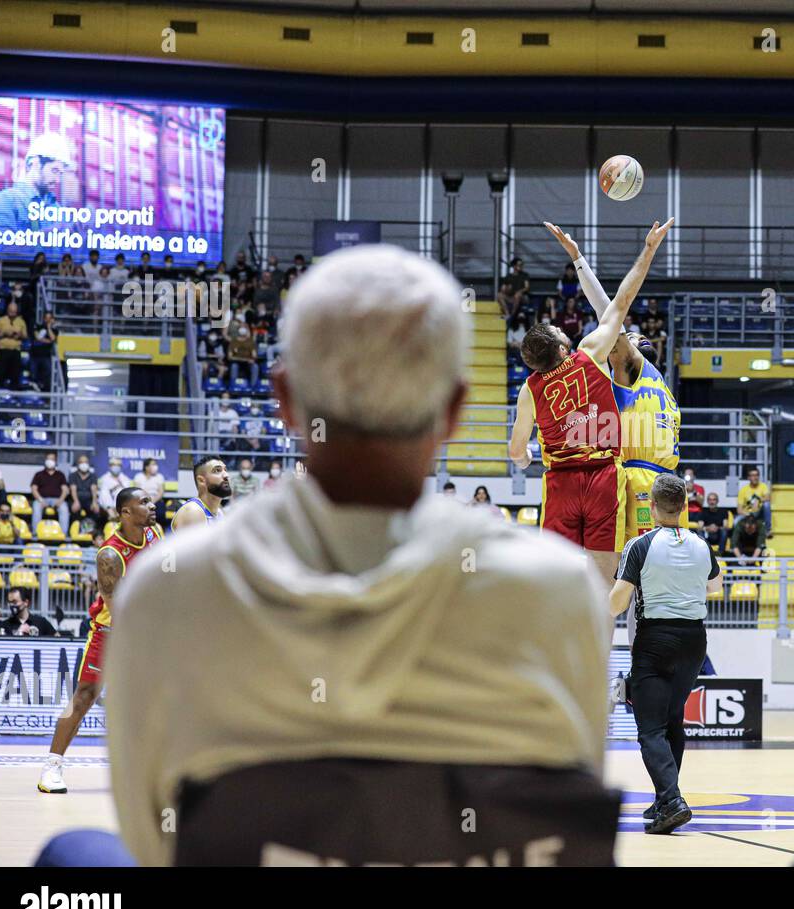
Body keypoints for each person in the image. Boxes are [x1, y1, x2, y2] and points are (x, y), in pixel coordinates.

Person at [105, 244, 617, 866]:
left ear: (286, 399)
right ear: (454, 411)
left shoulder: (167, 589)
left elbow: (152, 841)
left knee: (72, 854)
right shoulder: (558, 590)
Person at [509, 219, 673, 584]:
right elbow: (620, 302)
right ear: (563, 347)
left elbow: (516, 451)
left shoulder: (529, 390)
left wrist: (525, 458)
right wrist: (648, 250)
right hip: (604, 476)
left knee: (556, 578)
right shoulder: (591, 355)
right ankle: (599, 636)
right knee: (605, 581)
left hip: (561, 483)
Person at [544, 222, 685, 546]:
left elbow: (611, 310)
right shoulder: (665, 391)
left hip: (638, 484)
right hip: (672, 488)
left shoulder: (631, 369)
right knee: (667, 581)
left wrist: (579, 259)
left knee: (625, 576)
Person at [608, 474, 723, 834]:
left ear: (652, 507)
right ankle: (663, 797)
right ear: (685, 506)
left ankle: (672, 801)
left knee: (650, 728)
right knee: (673, 718)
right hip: (694, 640)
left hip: (655, 639)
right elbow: (715, 589)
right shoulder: (702, 545)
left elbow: (616, 603)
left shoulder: (640, 546)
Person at [38, 488, 160, 794]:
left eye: (150, 500)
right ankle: (51, 768)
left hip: (146, 632)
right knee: (84, 698)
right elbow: (116, 604)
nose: (152, 505)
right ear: (125, 513)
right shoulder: (109, 553)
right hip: (111, 634)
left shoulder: (155, 534)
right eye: (143, 502)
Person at [0, 133, 72, 236]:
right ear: (34, 163)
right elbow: (2, 248)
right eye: (54, 170)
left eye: (60, 173)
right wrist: (49, 234)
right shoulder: (7, 200)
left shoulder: (57, 209)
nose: (57, 180)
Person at [172, 457, 232, 531]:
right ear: (201, 480)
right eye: (217, 470)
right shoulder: (193, 511)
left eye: (225, 470)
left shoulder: (220, 513)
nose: (226, 475)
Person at [30, 454, 70, 535]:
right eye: (48, 459)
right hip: (41, 499)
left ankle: (63, 534)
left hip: (57, 499)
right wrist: (40, 500)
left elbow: (65, 490)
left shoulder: (60, 475)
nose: (50, 461)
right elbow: (34, 489)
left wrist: (60, 500)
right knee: (36, 507)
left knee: (64, 508)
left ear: (55, 461)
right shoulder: (38, 474)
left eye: (52, 459)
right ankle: (35, 533)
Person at [0, 301, 28, 390]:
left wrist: (19, 335)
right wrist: (4, 333)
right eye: (11, 311)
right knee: (0, 373)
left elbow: (25, 336)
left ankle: (13, 394)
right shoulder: (1, 320)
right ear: (7, 310)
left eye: (14, 312)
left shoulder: (21, 321)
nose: (13, 313)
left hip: (15, 351)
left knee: (15, 374)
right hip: (3, 351)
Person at [737, 467, 771, 535]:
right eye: (752, 475)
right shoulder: (743, 490)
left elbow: (768, 497)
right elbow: (739, 510)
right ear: (748, 478)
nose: (755, 477)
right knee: (735, 522)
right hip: (748, 513)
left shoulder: (763, 486)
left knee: (767, 504)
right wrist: (748, 514)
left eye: (756, 475)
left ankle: (767, 530)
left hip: (759, 513)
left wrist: (758, 500)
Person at [132, 458, 166, 525]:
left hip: (156, 500)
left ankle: (160, 530)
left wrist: (152, 501)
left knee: (160, 512)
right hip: (142, 500)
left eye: (156, 464)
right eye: (153, 464)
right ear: (146, 467)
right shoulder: (138, 476)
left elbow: (161, 492)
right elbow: (137, 491)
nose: (155, 466)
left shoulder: (159, 477)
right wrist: (146, 501)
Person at [97, 458, 132, 523]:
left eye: (118, 465)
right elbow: (100, 494)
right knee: (104, 492)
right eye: (114, 465)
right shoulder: (104, 478)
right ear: (110, 466)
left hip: (120, 505)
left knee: (120, 491)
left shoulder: (125, 478)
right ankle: (112, 515)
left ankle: (116, 516)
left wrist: (118, 487)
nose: (116, 467)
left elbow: (127, 492)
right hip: (107, 505)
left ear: (121, 467)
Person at [32, 312, 57, 392]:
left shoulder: (54, 330)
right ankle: (35, 386)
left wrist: (49, 328)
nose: (47, 320)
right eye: (46, 318)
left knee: (47, 373)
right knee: (33, 373)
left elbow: (52, 339)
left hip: (46, 356)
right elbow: (37, 337)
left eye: (49, 318)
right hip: (35, 355)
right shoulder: (38, 326)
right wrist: (47, 341)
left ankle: (44, 388)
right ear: (44, 318)